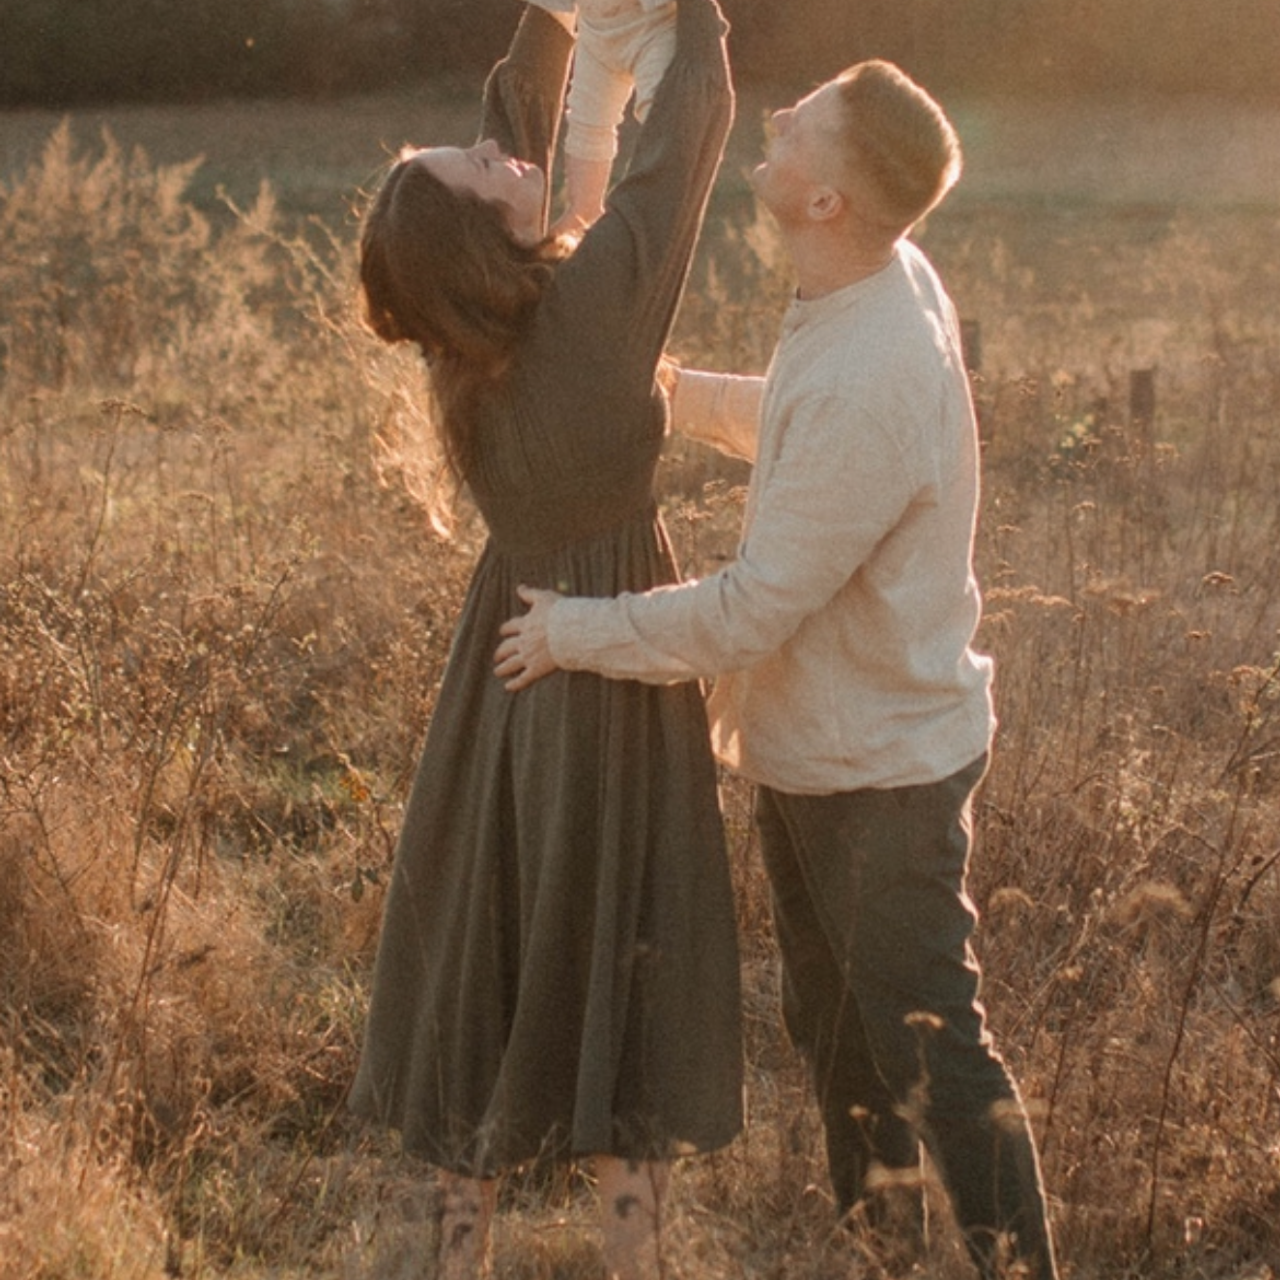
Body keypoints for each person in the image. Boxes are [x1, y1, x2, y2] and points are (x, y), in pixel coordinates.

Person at [495, 59, 1061, 1280]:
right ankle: (883, 1257)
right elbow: (805, 424)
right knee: (838, 1033)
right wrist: (676, 394)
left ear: (824, 203)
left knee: (927, 1047)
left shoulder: (872, 367)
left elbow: (746, 614)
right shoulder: (872, 281)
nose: (776, 118)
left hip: (877, 775)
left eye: (801, 124)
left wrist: (572, 631)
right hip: (823, 750)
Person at [347, 4, 742, 1278]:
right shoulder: (583, 319)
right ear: (479, 237)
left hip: (501, 667)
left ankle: (452, 1255)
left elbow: (509, 136)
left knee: (492, 938)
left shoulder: (468, 339)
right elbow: (683, 138)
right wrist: (682, 14)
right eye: (482, 177)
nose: (503, 157)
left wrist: (556, 23)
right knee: (623, 950)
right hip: (604, 654)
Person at [529, 0, 678, 237]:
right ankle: (582, 211)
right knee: (585, 122)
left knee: (661, 113)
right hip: (596, 25)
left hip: (655, 21)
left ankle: (658, 216)